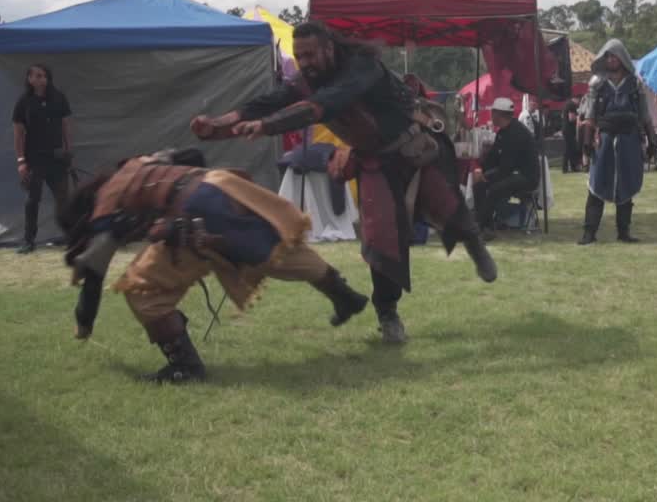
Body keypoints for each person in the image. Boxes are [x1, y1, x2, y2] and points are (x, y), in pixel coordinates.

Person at [189, 21, 495, 344]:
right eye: (299, 56)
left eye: (310, 55)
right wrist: (219, 124)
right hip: (374, 161)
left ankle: (474, 242)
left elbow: (325, 105)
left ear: (329, 49)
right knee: (381, 241)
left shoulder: (362, 67)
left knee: (447, 206)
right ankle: (388, 314)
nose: (304, 63)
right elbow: (269, 101)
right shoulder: (308, 80)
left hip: (412, 149)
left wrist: (266, 126)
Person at [57, 148, 368, 383]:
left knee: (141, 290)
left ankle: (185, 366)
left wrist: (84, 322)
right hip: (221, 183)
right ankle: (344, 295)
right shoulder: (138, 163)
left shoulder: (104, 207)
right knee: (278, 249)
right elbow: (190, 154)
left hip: (194, 208)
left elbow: (94, 272)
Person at [579, 40, 657, 245]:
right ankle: (589, 232)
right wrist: (587, 142)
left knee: (626, 184)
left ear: (622, 57)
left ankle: (624, 232)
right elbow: (590, 115)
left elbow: (644, 114)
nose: (611, 60)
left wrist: (652, 139)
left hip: (628, 139)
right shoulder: (597, 83)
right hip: (604, 139)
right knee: (596, 184)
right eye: (608, 56)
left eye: (614, 56)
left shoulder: (635, 83)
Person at [12, 63, 74, 254]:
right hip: (34, 159)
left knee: (63, 199)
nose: (40, 79)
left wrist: (68, 151)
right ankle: (28, 241)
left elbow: (66, 126)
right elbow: (18, 134)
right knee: (32, 200)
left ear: (48, 79)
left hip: (56, 158)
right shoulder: (23, 103)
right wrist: (21, 161)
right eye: (36, 76)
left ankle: (70, 237)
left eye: (43, 76)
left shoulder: (59, 98)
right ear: (29, 79)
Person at [472, 97, 540, 238]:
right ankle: (487, 226)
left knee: (494, 189)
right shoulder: (503, 132)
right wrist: (481, 170)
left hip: (526, 177)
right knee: (479, 185)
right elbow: (493, 158)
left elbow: (506, 167)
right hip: (513, 173)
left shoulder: (516, 133)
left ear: (499, 114)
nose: (491, 116)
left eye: (493, 112)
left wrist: (486, 176)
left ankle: (479, 226)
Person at [562, 97, 581, 173]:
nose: (579, 104)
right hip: (569, 129)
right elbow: (571, 118)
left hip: (566, 129)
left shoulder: (567, 104)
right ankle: (566, 168)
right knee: (569, 148)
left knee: (571, 148)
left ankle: (571, 167)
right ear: (576, 99)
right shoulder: (571, 105)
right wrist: (579, 117)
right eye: (579, 101)